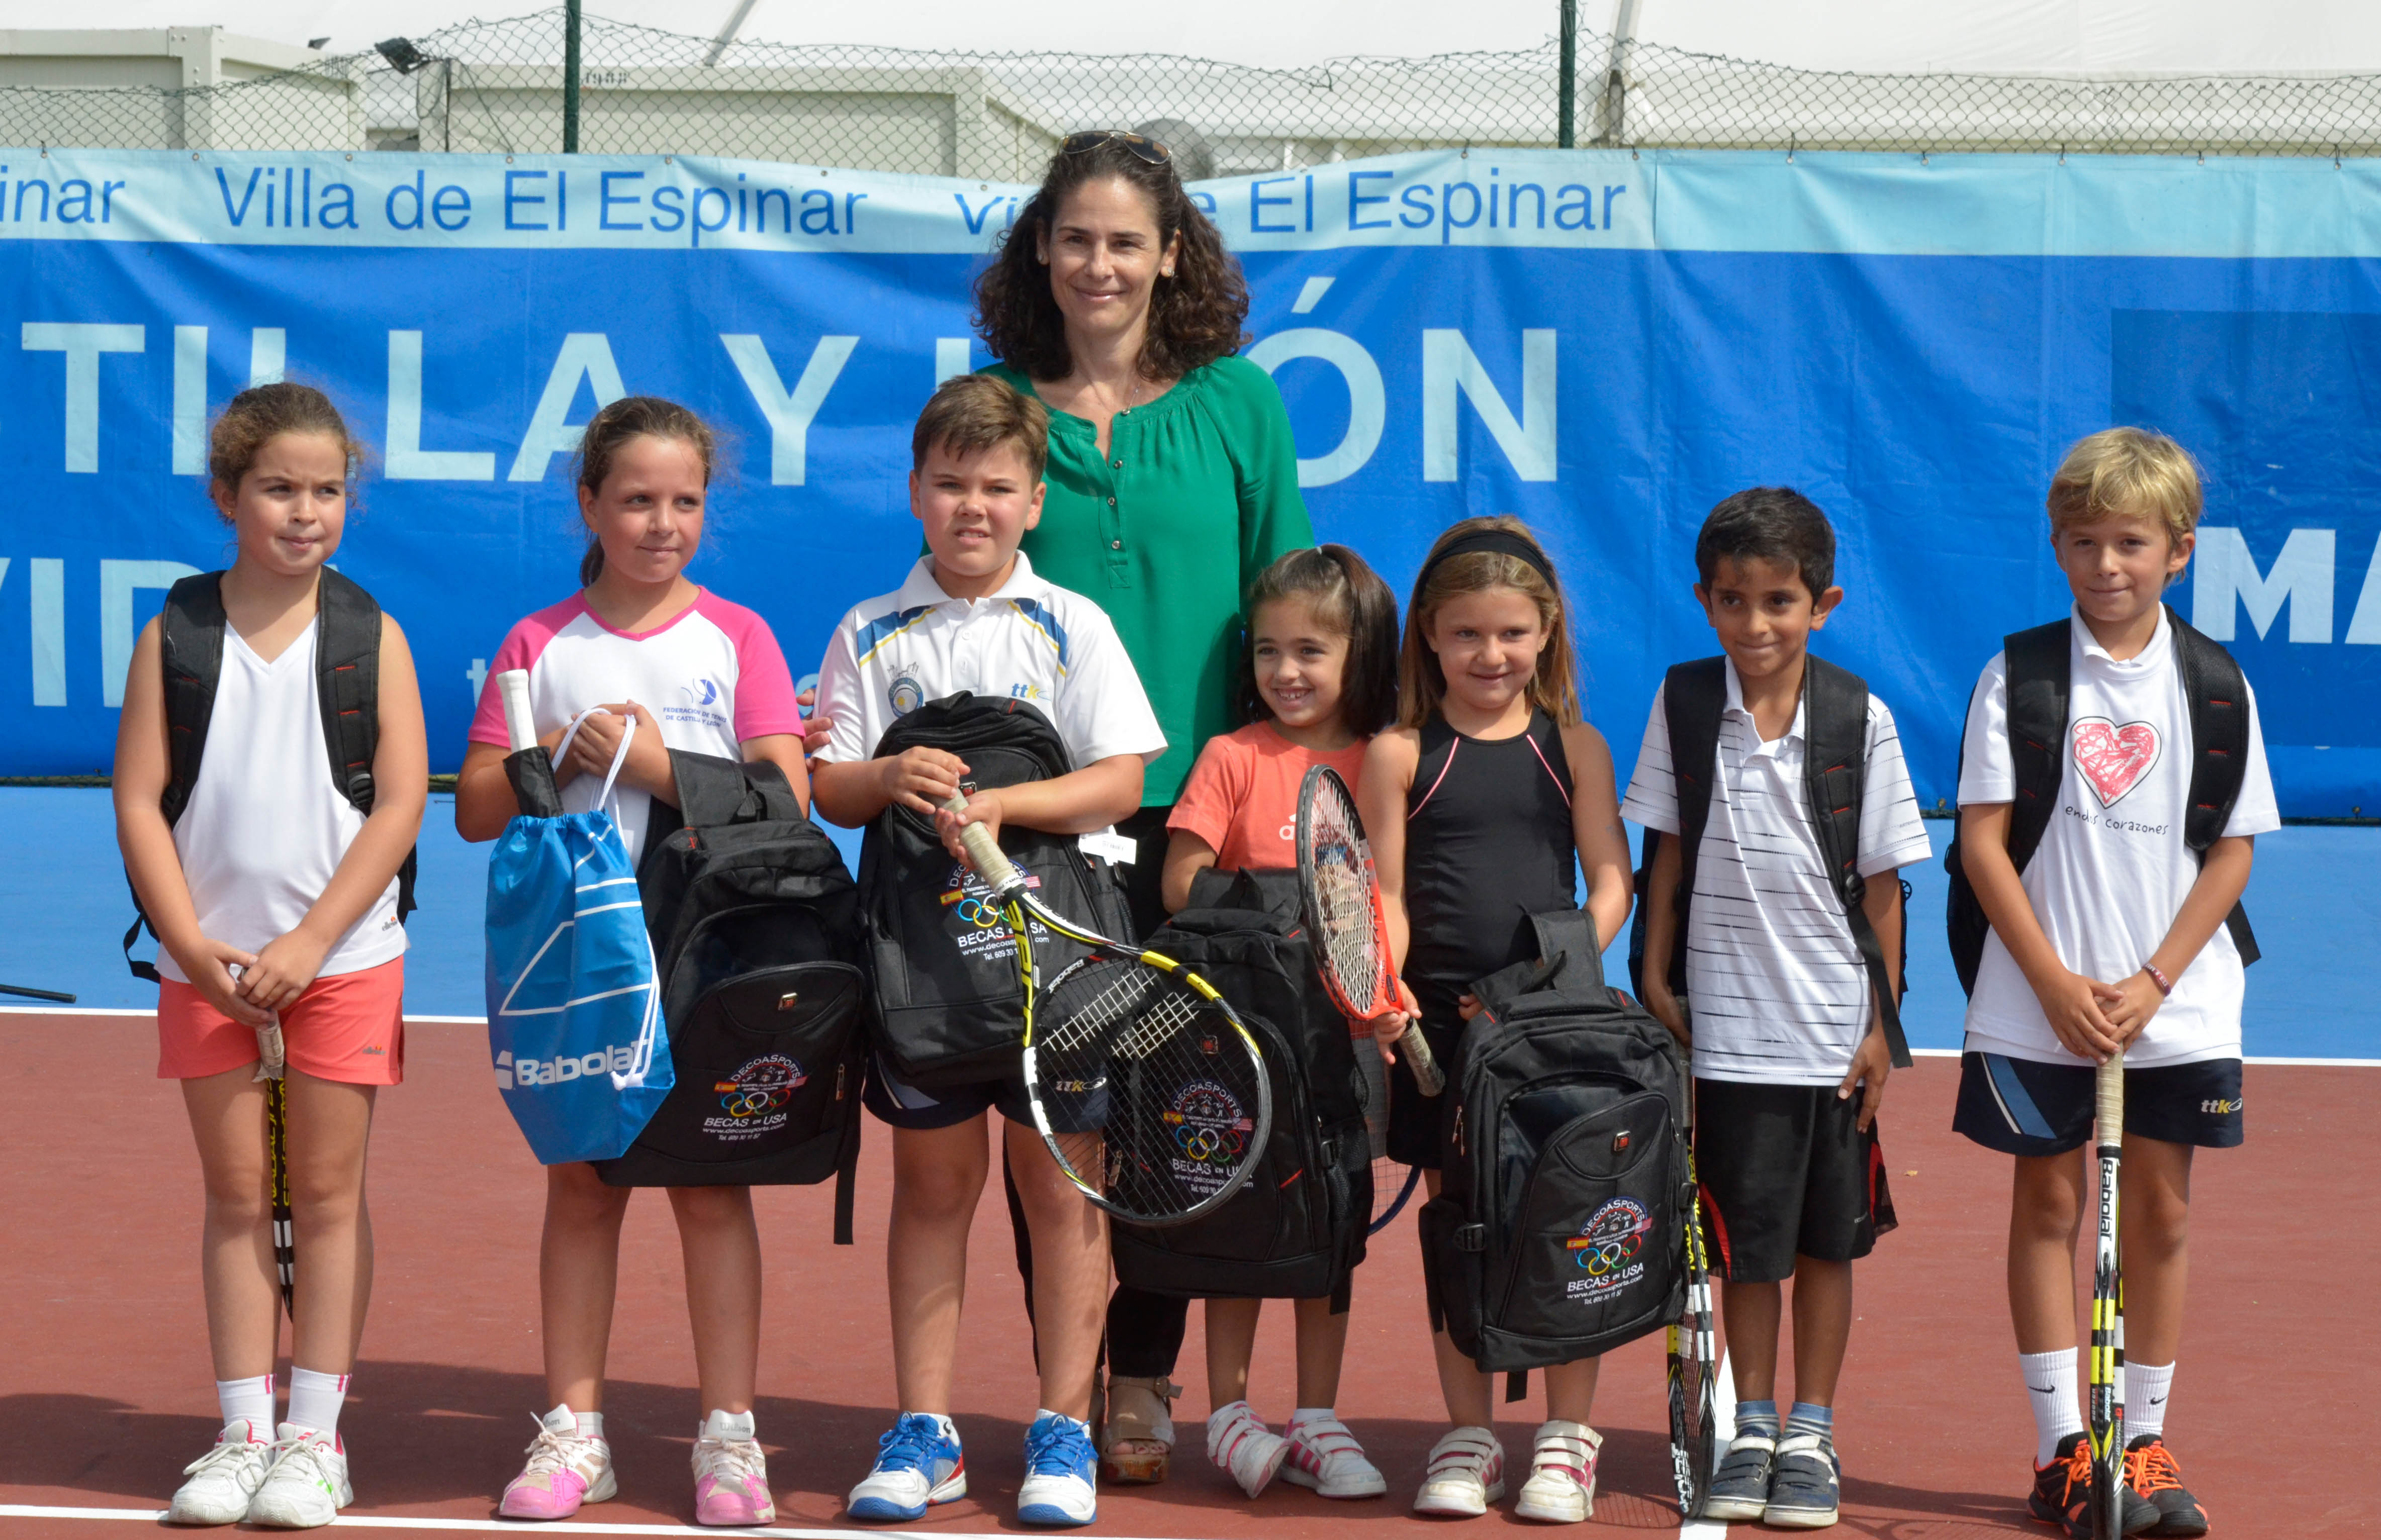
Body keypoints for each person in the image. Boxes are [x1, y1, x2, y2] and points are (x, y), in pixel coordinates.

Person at [810, 374, 1166, 1528]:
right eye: (951, 482)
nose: (974, 505)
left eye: (998, 487)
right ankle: (926, 1428)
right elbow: (829, 786)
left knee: (1063, 1188)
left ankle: (1062, 1424)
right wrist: (884, 775)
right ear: (916, 490)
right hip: (919, 966)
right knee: (931, 1187)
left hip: (1058, 965)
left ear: (1034, 500)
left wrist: (1009, 803)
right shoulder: (868, 629)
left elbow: (1123, 778)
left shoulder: (1073, 622)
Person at [454, 397, 808, 1527]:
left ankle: (730, 1437)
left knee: (710, 1188)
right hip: (578, 956)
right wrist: (555, 754)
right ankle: (576, 1430)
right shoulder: (538, 644)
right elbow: (473, 809)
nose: (663, 523)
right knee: (582, 1185)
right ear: (590, 505)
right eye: (639, 500)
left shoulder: (738, 636)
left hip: (710, 946)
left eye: (685, 501)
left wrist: (658, 766)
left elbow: (789, 800)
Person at [116, 383, 427, 1529]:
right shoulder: (175, 636)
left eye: (327, 490)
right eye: (279, 489)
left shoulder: (371, 636)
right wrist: (190, 946)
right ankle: (243, 1430)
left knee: (329, 1196)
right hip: (209, 970)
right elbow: (137, 799)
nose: (306, 512)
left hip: (345, 962)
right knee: (239, 1193)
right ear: (226, 495)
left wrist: (309, 941)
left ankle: (313, 1439)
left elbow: (401, 803)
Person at [1953, 429, 2270, 1540]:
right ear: (2057, 546)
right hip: (2035, 1000)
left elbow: (2231, 853)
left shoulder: (2215, 683)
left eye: (2131, 543)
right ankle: (2063, 1452)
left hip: (2174, 1003)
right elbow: (1981, 844)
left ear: (2178, 551)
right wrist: (2051, 982)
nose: (2106, 564)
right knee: (2047, 1204)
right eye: (2084, 542)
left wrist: (2152, 979)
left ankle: (2141, 1441)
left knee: (2162, 1213)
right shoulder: (2020, 675)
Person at [1622, 489, 1933, 1529]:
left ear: (1823, 604)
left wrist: (1881, 1026)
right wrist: (1654, 973)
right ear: (1704, 599)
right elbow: (1665, 851)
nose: (1754, 624)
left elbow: (1883, 887)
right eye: (1733, 600)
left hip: (1833, 1040)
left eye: (1779, 601)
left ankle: (1811, 1430)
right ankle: (1751, 1423)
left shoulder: (1859, 718)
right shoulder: (1681, 703)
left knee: (1824, 1248)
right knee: (1745, 1247)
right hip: (1726, 1039)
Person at [1358, 516, 1634, 1522]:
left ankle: (1566, 1441)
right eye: (1467, 633)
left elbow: (1611, 882)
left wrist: (1536, 979)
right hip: (1438, 1035)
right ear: (1429, 637)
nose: (1491, 653)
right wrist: (1385, 982)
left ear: (1546, 631)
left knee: (1564, 1220)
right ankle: (1468, 1435)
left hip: (1551, 1026)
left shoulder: (1576, 747)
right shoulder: (1397, 753)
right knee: (1459, 1229)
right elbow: (1386, 895)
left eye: (1513, 633)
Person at [1157, 546, 1401, 1501]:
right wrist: (1282, 912)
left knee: (1330, 1222)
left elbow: (1388, 896)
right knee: (1239, 1216)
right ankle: (1228, 1414)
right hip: (1240, 1039)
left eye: (1311, 651)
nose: (1286, 671)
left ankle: (1316, 1418)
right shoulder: (1232, 757)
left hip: (1342, 1043)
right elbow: (1180, 881)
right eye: (1268, 651)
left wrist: (1360, 963)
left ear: (1358, 654)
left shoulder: (1384, 758)